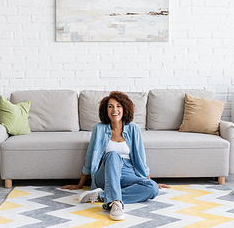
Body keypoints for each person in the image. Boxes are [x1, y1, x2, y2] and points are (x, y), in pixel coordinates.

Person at [62, 91, 170, 221]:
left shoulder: (134, 129)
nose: (115, 110)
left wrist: (148, 179)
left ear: (124, 108)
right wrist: (80, 184)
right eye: (110, 106)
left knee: (152, 188)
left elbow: (141, 158)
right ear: (105, 110)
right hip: (106, 173)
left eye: (118, 106)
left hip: (127, 172)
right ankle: (116, 203)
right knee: (113, 155)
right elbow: (90, 157)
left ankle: (102, 196)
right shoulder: (99, 129)